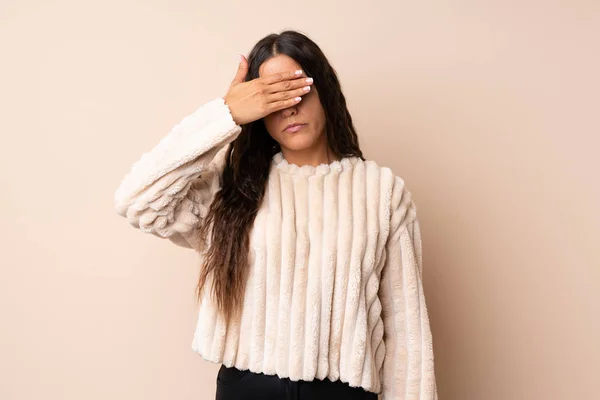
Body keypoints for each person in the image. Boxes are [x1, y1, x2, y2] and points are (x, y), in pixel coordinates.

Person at [114, 30, 438, 400]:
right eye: (272, 97)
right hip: (247, 390)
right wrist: (226, 114)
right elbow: (136, 200)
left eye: (297, 89)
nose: (289, 108)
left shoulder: (383, 193)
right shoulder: (233, 187)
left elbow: (405, 333)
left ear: (325, 92)